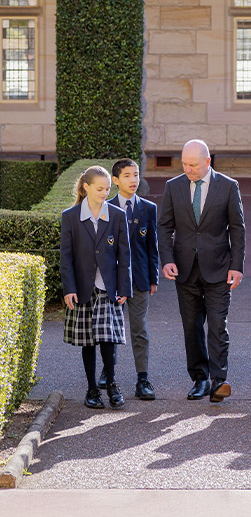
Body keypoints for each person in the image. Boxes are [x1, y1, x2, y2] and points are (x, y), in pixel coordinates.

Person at [158, 139, 245, 402]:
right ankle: (200, 379)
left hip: (219, 268)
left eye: (193, 165)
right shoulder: (173, 186)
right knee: (192, 327)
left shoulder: (228, 186)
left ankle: (219, 381)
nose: (188, 169)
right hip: (184, 270)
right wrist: (167, 259)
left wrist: (237, 266)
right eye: (184, 164)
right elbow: (164, 226)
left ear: (207, 162)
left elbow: (237, 228)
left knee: (218, 325)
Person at [60, 165, 132, 410]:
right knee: (88, 341)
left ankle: (112, 384)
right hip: (82, 289)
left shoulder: (117, 216)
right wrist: (69, 288)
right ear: (86, 187)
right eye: (99, 189)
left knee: (108, 339)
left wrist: (124, 288)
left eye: (107, 189)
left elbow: (124, 256)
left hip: (107, 288)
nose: (104, 193)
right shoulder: (70, 216)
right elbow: (66, 257)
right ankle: (92, 389)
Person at [97, 158, 159, 400]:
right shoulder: (105, 207)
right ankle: (108, 372)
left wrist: (153, 277)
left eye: (136, 175)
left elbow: (152, 246)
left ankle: (143, 379)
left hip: (140, 279)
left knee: (139, 329)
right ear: (115, 180)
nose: (133, 180)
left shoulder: (148, 208)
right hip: (113, 281)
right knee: (110, 329)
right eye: (127, 176)